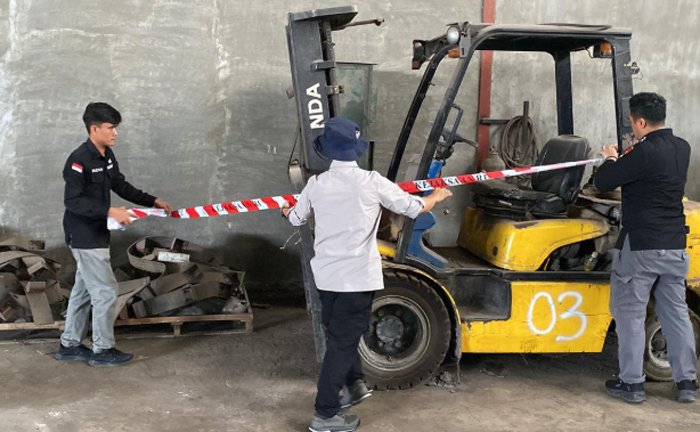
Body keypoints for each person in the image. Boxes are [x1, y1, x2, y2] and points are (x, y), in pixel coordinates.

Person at [282, 117, 453, 432]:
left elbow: (295, 218)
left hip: (327, 277)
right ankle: (324, 415)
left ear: (328, 151)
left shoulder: (316, 185)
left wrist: (287, 211)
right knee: (341, 343)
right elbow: (414, 207)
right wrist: (436, 197)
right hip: (357, 278)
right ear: (355, 149)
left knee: (339, 335)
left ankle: (356, 384)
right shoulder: (372, 182)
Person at [595, 92, 698, 404]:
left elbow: (604, 181)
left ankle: (632, 384)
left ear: (641, 121)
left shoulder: (642, 153)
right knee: (676, 314)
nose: (631, 127)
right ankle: (686, 382)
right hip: (674, 246)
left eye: (631, 122)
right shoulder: (682, 147)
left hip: (641, 247)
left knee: (630, 314)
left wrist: (610, 157)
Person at [55, 102, 172, 367]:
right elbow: (73, 202)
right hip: (83, 235)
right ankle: (103, 351)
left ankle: (69, 345)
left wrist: (152, 200)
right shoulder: (78, 160)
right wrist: (110, 211)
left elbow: (120, 185)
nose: (115, 133)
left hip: (97, 233)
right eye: (110, 128)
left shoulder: (106, 155)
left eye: (116, 127)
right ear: (94, 128)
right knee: (106, 292)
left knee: (84, 291)